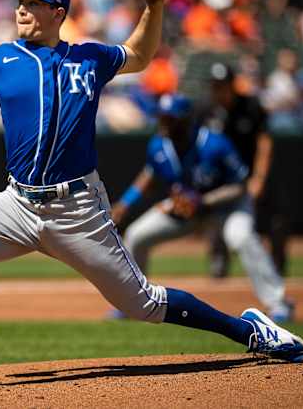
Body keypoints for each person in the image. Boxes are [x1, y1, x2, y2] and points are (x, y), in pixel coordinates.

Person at [0, 0, 303, 397]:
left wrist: (153, 7)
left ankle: (251, 330)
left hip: (78, 210)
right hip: (16, 204)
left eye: (33, 4)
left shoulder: (88, 57)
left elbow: (140, 55)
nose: (21, 11)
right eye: (19, 3)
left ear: (58, 12)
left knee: (144, 305)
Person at [110, 93, 292, 323]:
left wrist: (203, 201)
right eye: (162, 117)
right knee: (136, 235)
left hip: (227, 208)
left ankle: (278, 303)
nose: (163, 123)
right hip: (186, 210)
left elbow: (239, 187)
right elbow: (149, 175)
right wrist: (126, 203)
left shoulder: (214, 143)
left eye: (170, 118)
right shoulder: (159, 144)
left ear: (186, 120)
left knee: (242, 237)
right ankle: (132, 303)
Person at [203, 62, 290, 286]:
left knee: (275, 220)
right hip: (225, 179)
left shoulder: (250, 105)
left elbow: (264, 142)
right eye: (215, 86)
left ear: (232, 85)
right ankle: (219, 262)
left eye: (222, 86)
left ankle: (278, 265)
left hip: (254, 172)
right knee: (216, 219)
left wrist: (259, 178)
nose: (218, 91)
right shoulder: (209, 110)